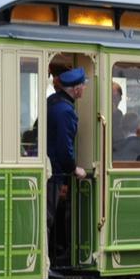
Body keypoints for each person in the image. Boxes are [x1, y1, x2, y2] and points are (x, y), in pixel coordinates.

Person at [47, 66, 87, 268]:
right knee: (48, 216)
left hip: (49, 170)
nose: (84, 90)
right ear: (76, 89)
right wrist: (74, 169)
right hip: (53, 174)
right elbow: (65, 148)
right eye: (83, 86)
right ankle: (49, 262)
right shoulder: (66, 111)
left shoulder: (52, 102)